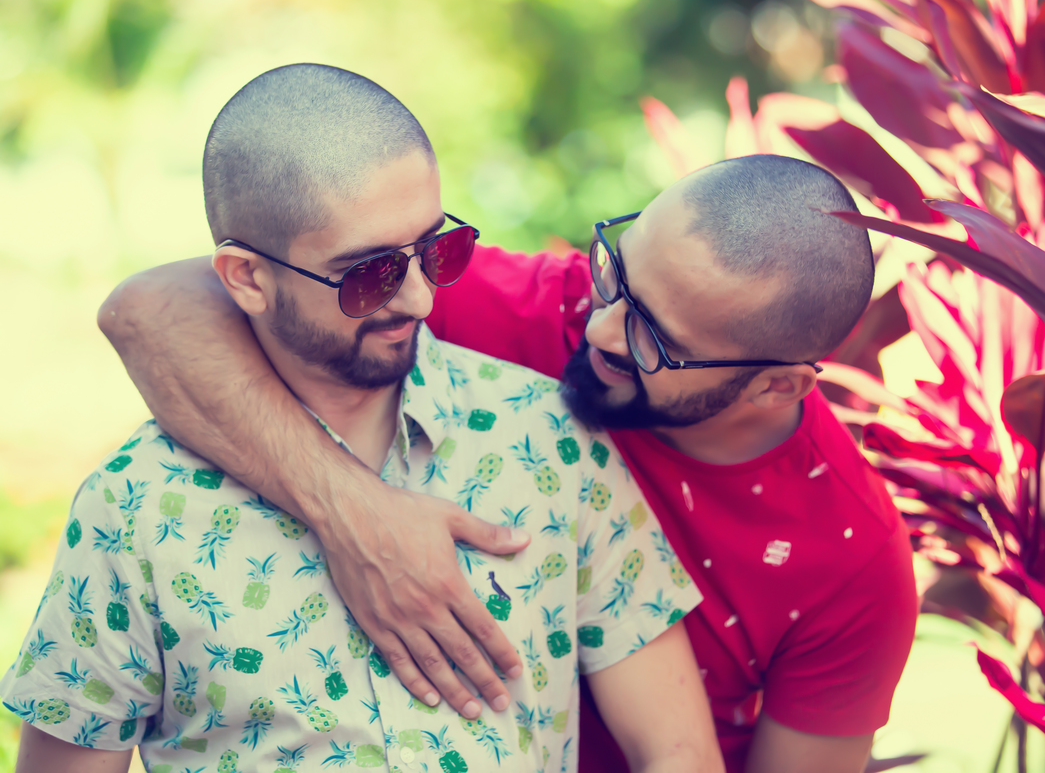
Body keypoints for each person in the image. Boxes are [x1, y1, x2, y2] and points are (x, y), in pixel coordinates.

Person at [2, 63, 721, 773]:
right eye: (369, 275)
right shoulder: (135, 506)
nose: (420, 299)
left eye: (438, 249)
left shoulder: (553, 442)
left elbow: (677, 751)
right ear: (247, 278)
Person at [102, 149, 919, 771]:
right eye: (617, 275)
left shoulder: (853, 564)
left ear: (776, 386)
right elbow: (149, 310)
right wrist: (352, 513)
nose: (598, 329)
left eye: (654, 339)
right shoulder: (529, 309)